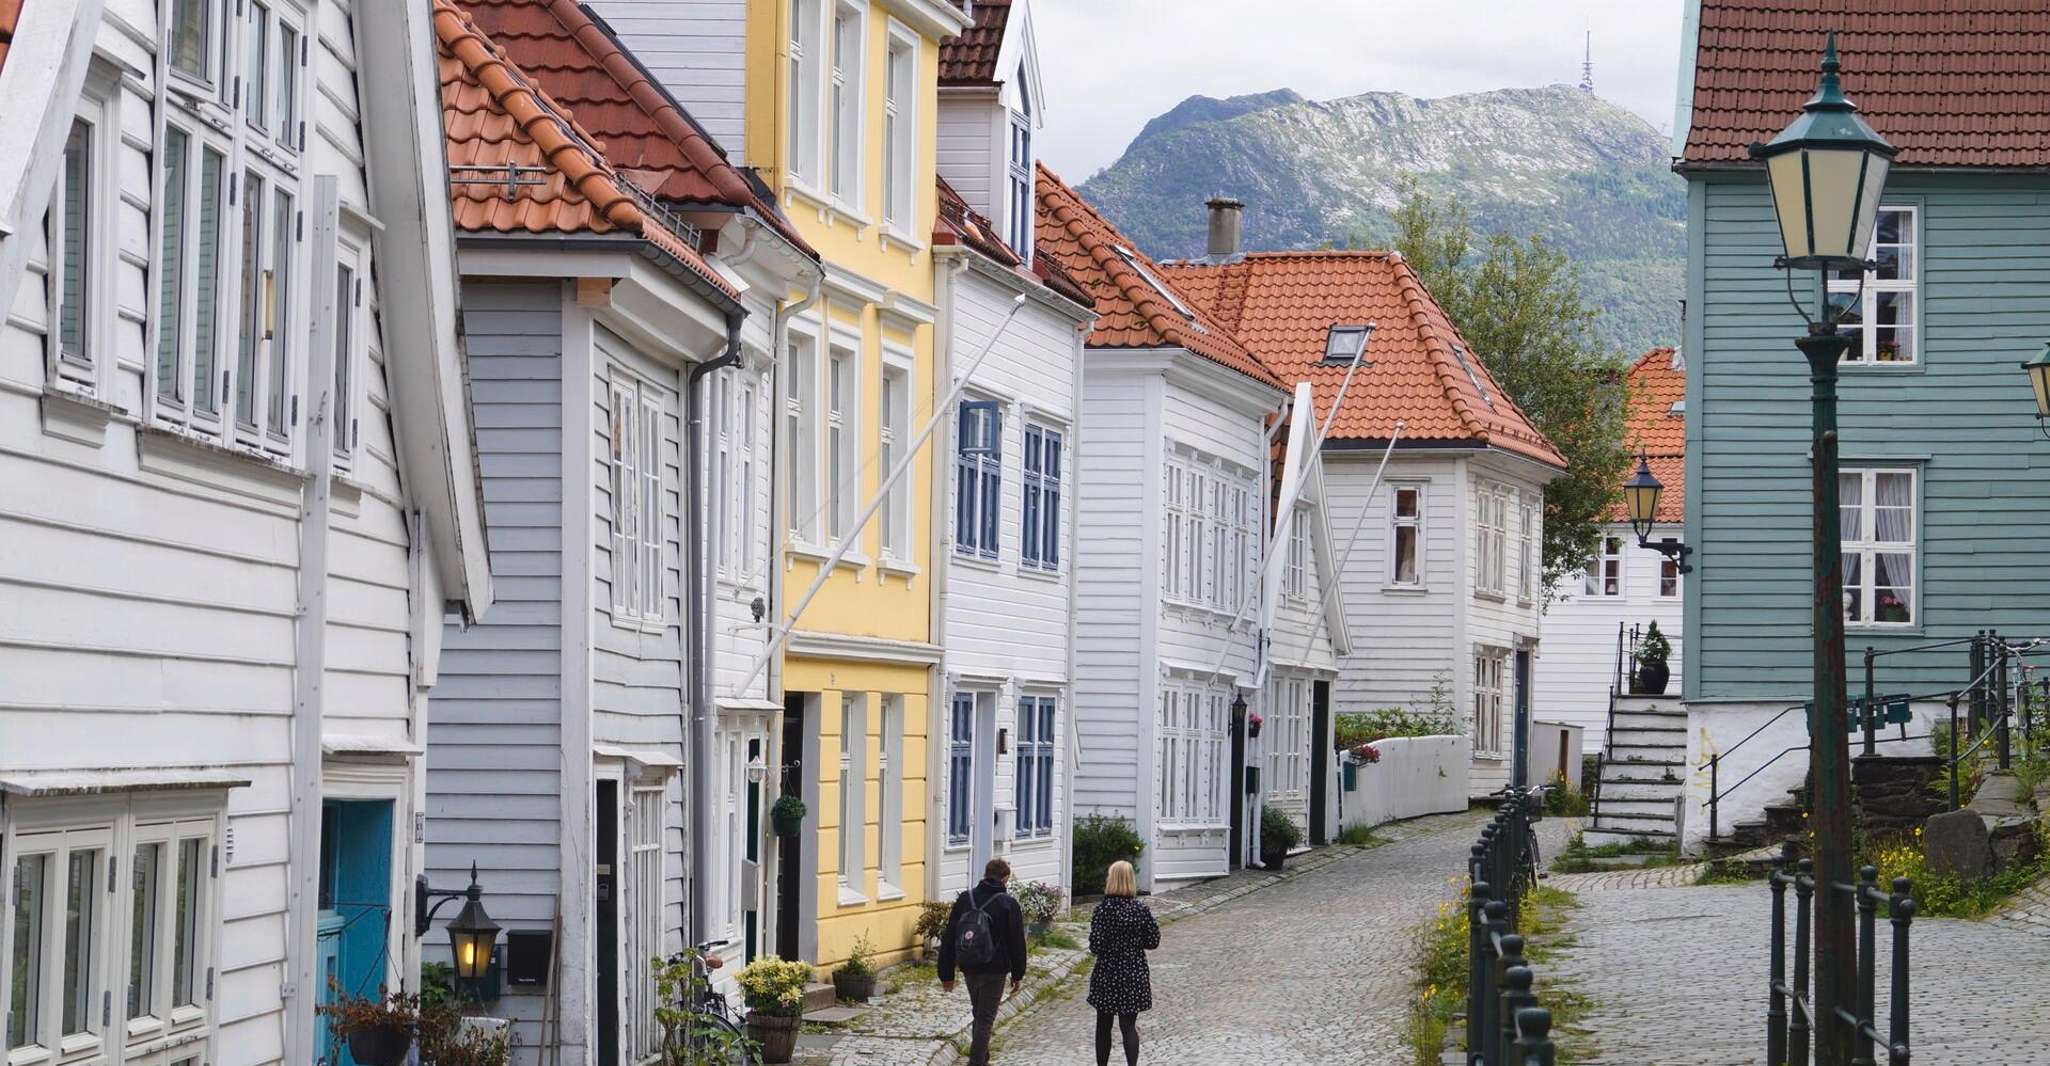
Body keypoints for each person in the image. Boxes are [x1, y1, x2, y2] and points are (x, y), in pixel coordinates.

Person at [937, 858, 1028, 1066]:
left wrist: (946, 974)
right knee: (985, 1017)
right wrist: (1018, 973)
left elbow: (949, 937)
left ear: (985, 874)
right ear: (1005, 878)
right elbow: (1016, 942)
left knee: (979, 1012)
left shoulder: (965, 899)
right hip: (995, 968)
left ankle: (983, 1059)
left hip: (969, 964)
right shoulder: (1008, 904)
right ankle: (976, 1062)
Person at [1086, 861, 1159, 1066]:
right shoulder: (1140, 910)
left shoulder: (1102, 910)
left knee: (1103, 1025)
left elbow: (1096, 945)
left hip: (1107, 972)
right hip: (1133, 972)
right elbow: (1153, 941)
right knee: (1128, 1026)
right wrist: (1135, 942)